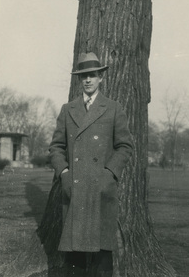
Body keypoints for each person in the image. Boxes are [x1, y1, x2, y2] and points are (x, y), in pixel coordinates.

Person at [49, 52, 133, 277]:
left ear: (101, 78)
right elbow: (56, 147)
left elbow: (125, 146)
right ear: (79, 79)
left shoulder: (113, 108)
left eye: (92, 75)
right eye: (83, 76)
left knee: (103, 251)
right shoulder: (68, 110)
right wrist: (65, 172)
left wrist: (109, 174)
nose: (88, 80)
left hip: (101, 189)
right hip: (75, 187)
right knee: (75, 253)